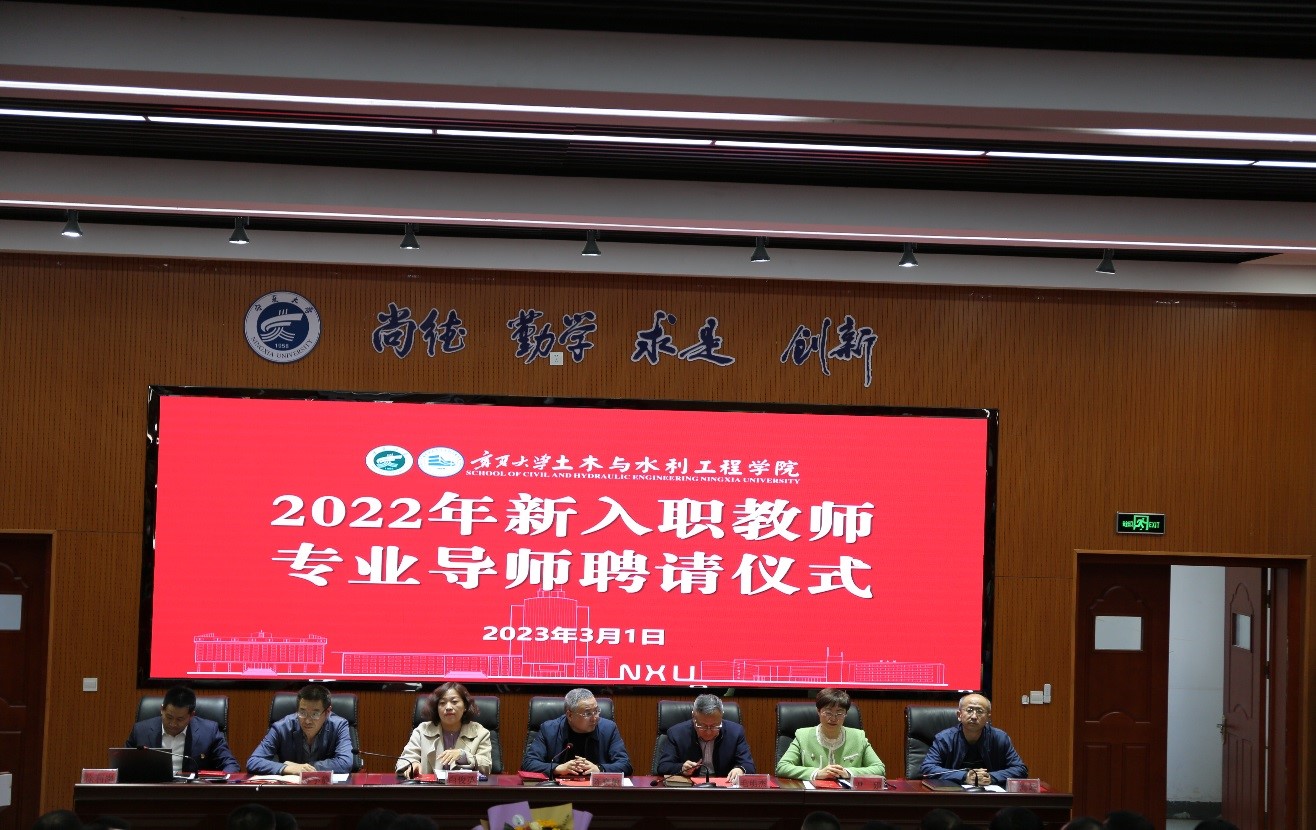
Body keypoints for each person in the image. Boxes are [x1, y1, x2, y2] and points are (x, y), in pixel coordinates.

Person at [775, 688, 885, 781]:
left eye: (839, 713)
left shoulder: (858, 737)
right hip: (814, 795)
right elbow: (782, 767)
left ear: (846, 714)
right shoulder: (802, 735)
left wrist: (847, 772)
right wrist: (817, 773)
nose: (833, 718)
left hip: (848, 795)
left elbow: (879, 768)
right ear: (818, 711)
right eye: (828, 712)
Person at [125, 686, 239, 774]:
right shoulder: (141, 731)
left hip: (192, 792)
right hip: (152, 792)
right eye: (169, 717)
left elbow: (230, 764)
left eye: (180, 719)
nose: (173, 724)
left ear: (191, 715)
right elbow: (122, 764)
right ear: (162, 709)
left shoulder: (209, 731)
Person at [920, 693, 1027, 786]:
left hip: (991, 793)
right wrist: (964, 776)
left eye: (980, 711)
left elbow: (1020, 769)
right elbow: (927, 768)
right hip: (953, 791)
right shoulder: (944, 738)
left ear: (988, 717)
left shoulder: (1000, 738)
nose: (974, 716)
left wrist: (991, 777)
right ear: (959, 715)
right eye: (969, 710)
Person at [520, 687, 631, 776]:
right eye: (587, 713)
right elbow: (528, 763)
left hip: (597, 792)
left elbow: (625, 765)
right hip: (559, 792)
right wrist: (558, 768)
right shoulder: (549, 729)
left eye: (596, 711)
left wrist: (599, 769)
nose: (595, 718)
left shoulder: (608, 729)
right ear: (570, 715)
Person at [246, 684, 354, 775]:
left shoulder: (339, 726)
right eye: (302, 712)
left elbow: (345, 763)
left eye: (315, 714)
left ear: (327, 712)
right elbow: (253, 761)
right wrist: (286, 768)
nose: (307, 721)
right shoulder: (281, 727)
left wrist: (302, 768)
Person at [396, 682, 492, 777]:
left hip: (464, 786)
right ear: (436, 708)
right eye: (442, 703)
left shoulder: (480, 732)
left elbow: (487, 766)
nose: (448, 707)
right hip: (428, 786)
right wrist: (413, 764)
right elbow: (404, 760)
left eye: (454, 702)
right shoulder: (422, 730)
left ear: (465, 706)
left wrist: (463, 756)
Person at [654, 693, 754, 784]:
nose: (708, 731)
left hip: (723, 788)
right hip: (690, 789)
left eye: (715, 726)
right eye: (702, 726)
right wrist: (681, 768)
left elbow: (749, 765)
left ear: (721, 716)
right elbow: (663, 766)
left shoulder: (735, 732)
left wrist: (741, 769)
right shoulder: (676, 733)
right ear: (693, 717)